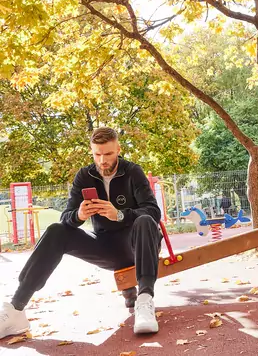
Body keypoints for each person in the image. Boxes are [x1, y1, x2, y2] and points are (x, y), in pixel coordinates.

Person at [0, 127, 163, 339]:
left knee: (144, 220)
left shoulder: (133, 172)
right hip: (106, 246)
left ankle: (144, 300)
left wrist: (120, 214)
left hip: (138, 243)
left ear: (118, 150)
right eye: (97, 154)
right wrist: (78, 215)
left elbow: (153, 211)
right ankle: (16, 310)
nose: (103, 160)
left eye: (108, 154)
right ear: (92, 151)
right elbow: (66, 216)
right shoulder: (84, 176)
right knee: (56, 230)